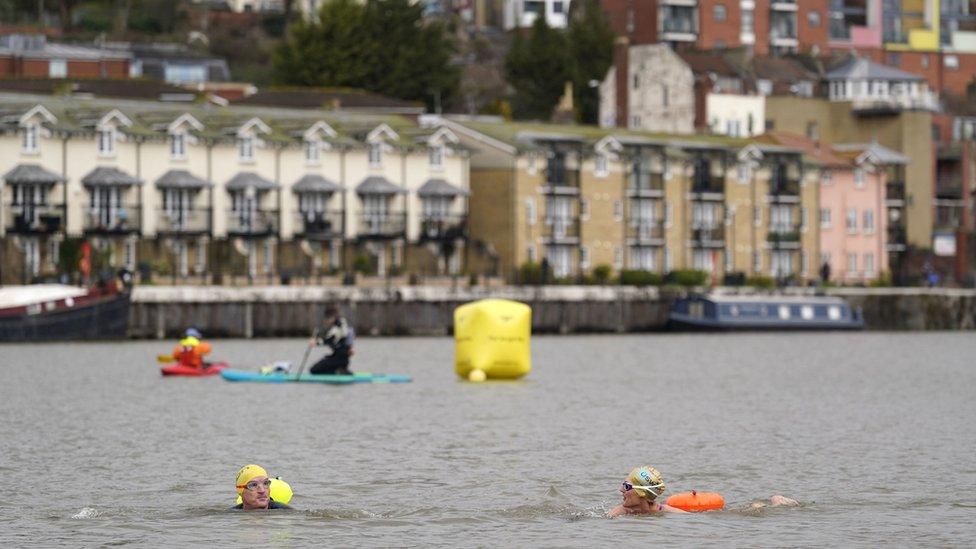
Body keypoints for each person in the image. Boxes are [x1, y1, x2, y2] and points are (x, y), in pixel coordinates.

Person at [608, 465, 798, 517]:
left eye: (626, 487)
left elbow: (703, 519)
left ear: (641, 492)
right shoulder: (620, 512)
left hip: (703, 511)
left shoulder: (665, 511)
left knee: (742, 512)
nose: (620, 490)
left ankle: (774, 504)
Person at [308, 305, 355, 375]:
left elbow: (330, 340)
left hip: (339, 359)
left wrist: (316, 342)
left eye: (326, 319)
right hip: (340, 358)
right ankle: (339, 370)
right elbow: (347, 336)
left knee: (313, 370)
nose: (326, 321)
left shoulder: (338, 326)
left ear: (331, 317)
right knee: (318, 369)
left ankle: (341, 371)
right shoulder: (342, 324)